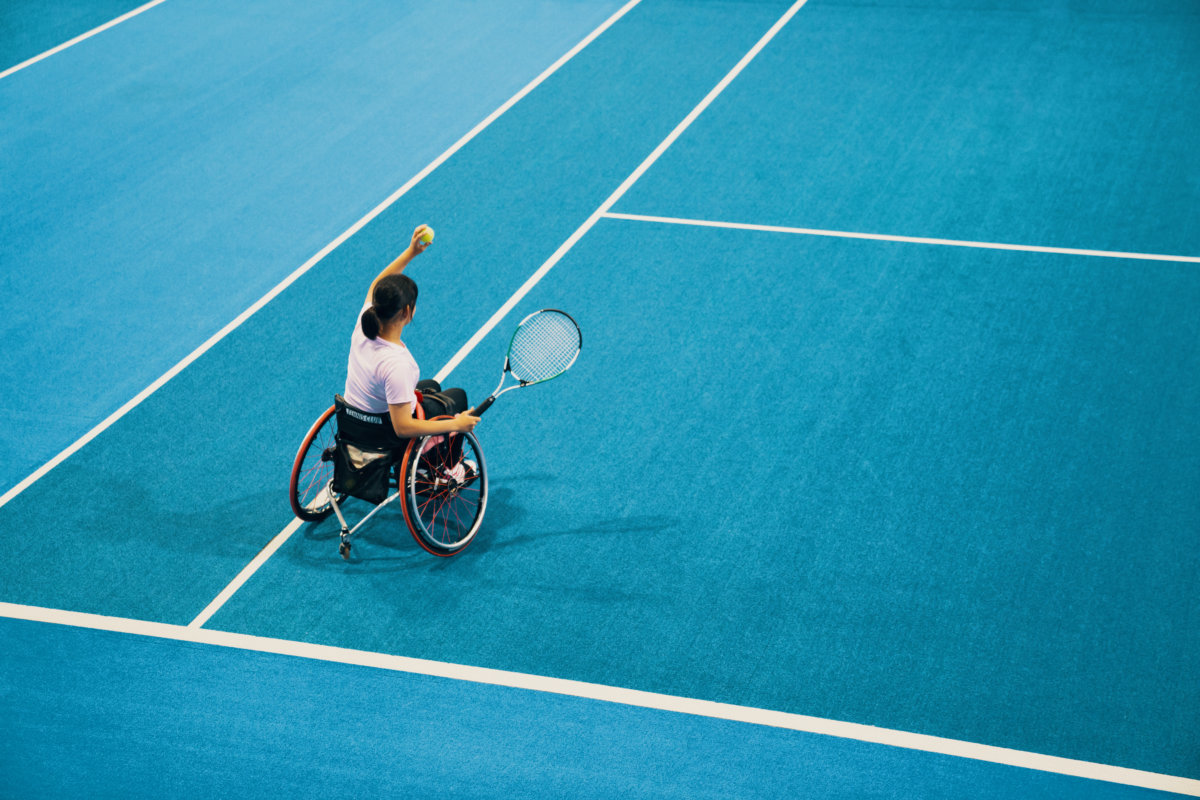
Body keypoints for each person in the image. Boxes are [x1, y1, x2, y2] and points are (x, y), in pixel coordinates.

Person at [343, 224, 479, 441]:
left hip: (354, 422)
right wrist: (457, 423)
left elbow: (377, 284)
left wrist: (411, 252)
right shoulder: (397, 364)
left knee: (431, 387)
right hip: (383, 433)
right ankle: (451, 466)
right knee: (456, 397)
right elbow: (403, 428)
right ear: (407, 311)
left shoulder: (364, 323)